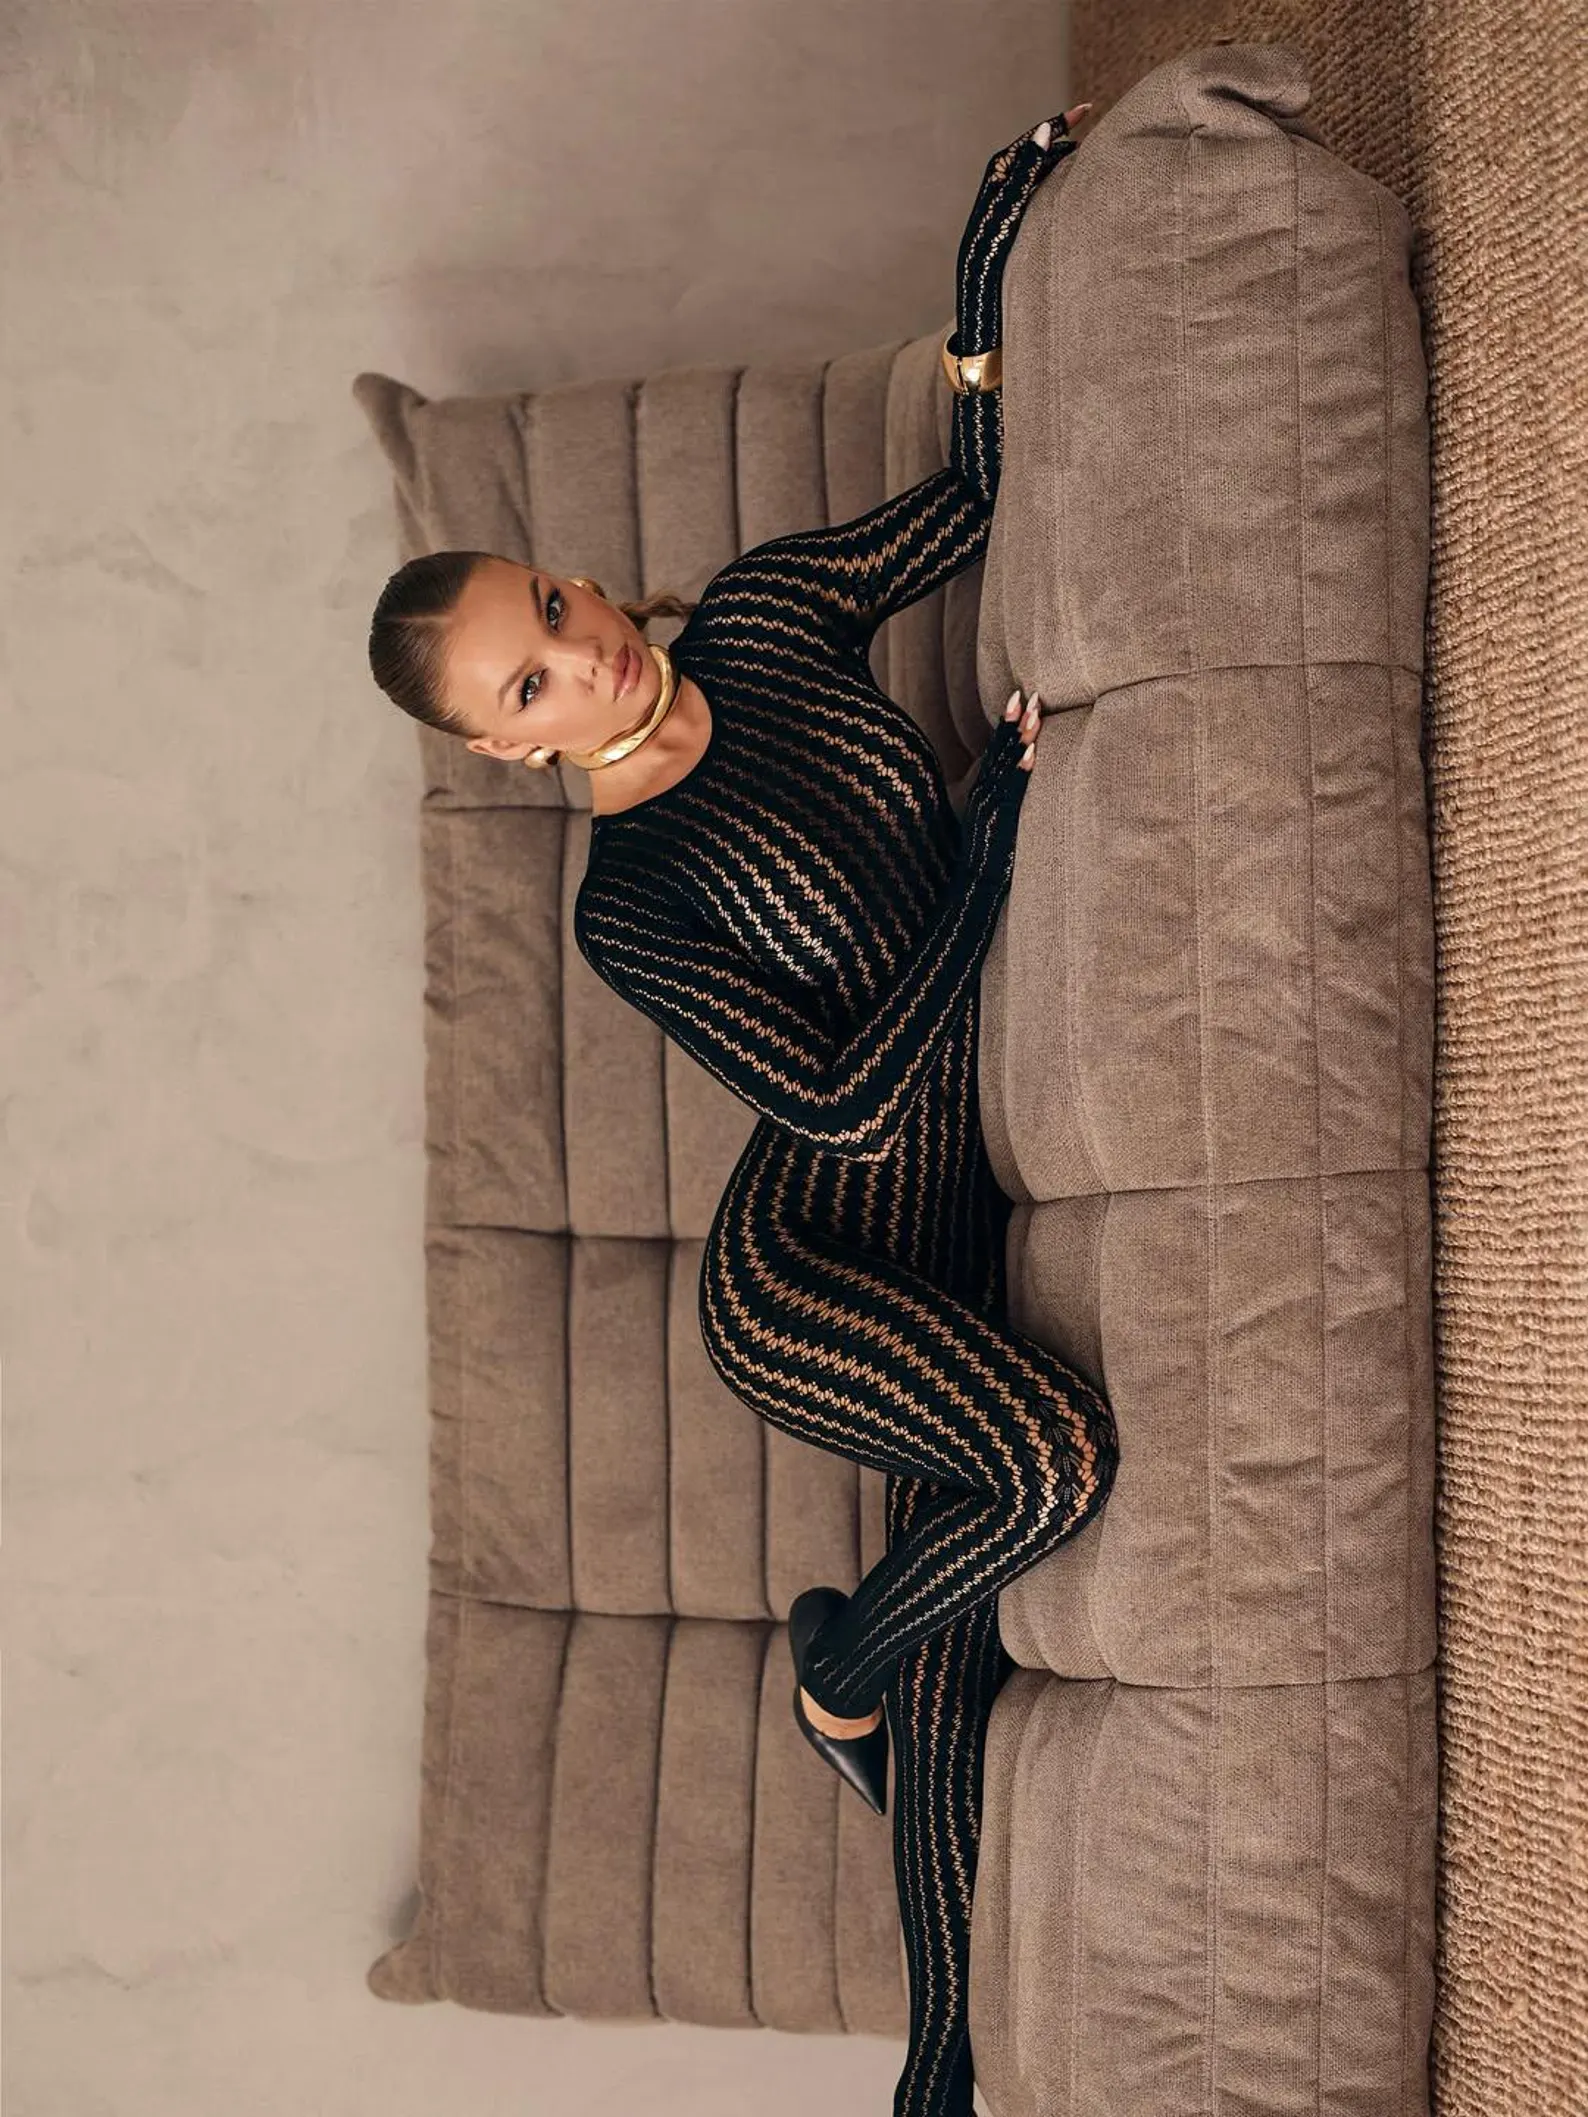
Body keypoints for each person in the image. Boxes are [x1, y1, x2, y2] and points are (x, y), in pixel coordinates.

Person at [368, 102, 1114, 2117]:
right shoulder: (631, 904)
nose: (582, 654)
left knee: (967, 1630)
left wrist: (981, 274)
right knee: (1047, 1468)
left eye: (550, 608)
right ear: (509, 754)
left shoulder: (772, 613)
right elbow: (850, 1094)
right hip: (802, 1278)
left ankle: (926, 2001)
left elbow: (966, 499)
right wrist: (985, 852)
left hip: (934, 1224)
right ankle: (843, 1693)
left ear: (569, 574)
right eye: (529, 687)